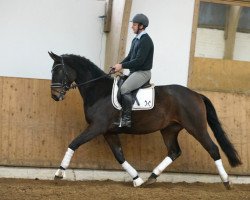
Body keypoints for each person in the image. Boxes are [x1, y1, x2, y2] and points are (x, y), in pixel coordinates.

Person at [112, 13, 154, 128]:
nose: (132, 27)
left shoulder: (145, 41)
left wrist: (122, 66)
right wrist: (119, 65)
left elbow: (139, 61)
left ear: (141, 26)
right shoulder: (136, 40)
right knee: (119, 83)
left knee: (125, 88)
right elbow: (130, 56)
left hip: (143, 73)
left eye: (134, 25)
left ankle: (126, 119)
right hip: (134, 72)